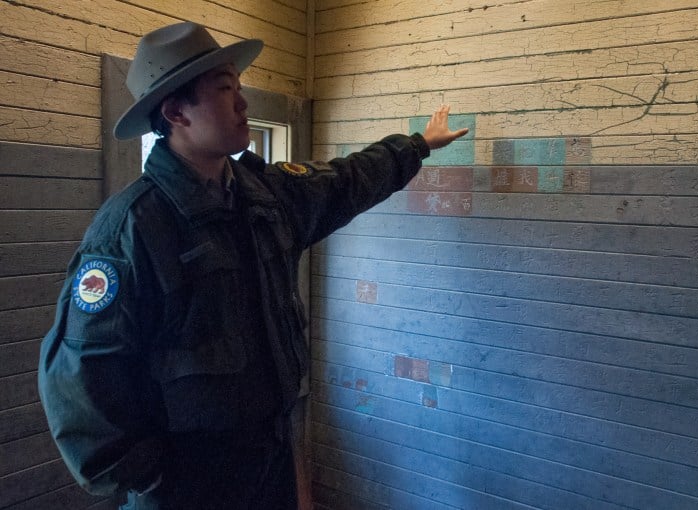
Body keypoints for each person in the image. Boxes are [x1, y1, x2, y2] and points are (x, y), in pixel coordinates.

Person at [38, 21, 468, 510]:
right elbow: (81, 373)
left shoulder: (264, 195)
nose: (243, 103)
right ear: (176, 111)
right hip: (187, 482)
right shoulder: (132, 228)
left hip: (269, 459)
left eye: (239, 88)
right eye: (225, 90)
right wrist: (149, 476)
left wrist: (417, 146)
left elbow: (346, 180)